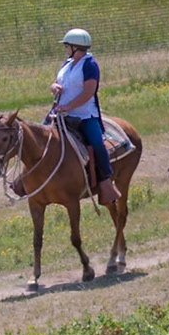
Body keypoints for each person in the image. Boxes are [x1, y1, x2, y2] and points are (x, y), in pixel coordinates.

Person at [52, 27, 120, 207]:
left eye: (67, 45)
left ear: (75, 47)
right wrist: (54, 87)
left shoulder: (90, 64)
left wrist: (68, 106)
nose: (65, 49)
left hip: (84, 115)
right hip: (61, 113)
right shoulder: (67, 63)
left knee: (97, 143)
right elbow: (58, 82)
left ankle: (106, 180)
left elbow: (89, 92)